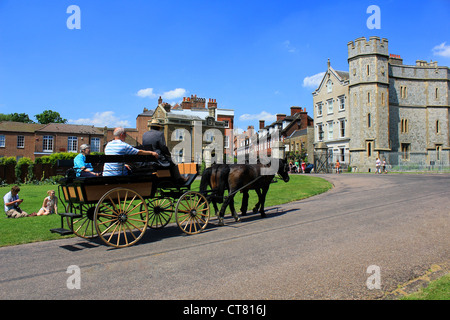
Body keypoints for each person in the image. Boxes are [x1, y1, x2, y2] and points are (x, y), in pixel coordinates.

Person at [141, 119, 187, 184]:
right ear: (158, 127)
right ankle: (178, 179)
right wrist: (169, 154)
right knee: (172, 162)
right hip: (158, 159)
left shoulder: (144, 135)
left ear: (151, 127)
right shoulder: (160, 134)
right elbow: (163, 147)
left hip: (148, 160)